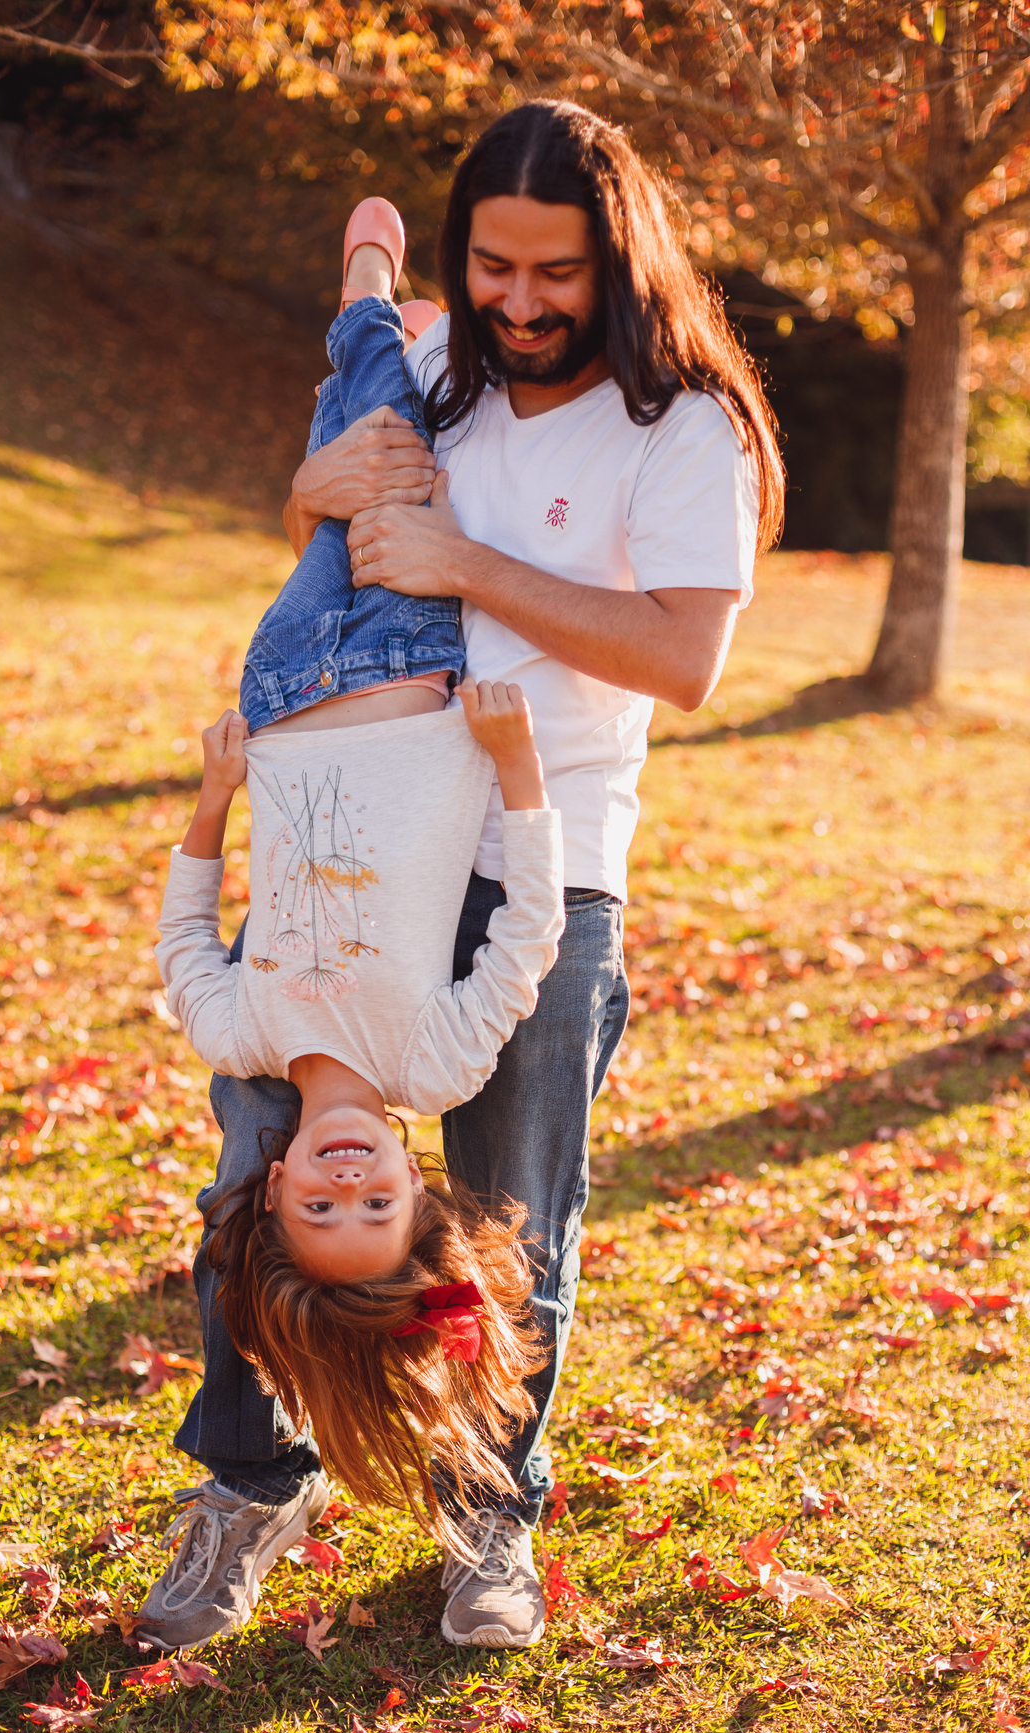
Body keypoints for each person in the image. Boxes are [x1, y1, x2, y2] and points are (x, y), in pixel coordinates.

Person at [141, 98, 785, 1655]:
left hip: (539, 860)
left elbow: (684, 660)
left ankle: (490, 1504)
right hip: (349, 842)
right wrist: (315, 491)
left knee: (511, 1212)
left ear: (616, 261)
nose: (516, 303)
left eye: (551, 274)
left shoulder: (683, 426)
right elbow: (320, 520)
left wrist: (469, 567)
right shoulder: (437, 363)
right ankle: (251, 1480)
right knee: (255, 1179)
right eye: (490, 266)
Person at [137, 199, 567, 1648]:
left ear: (268, 1197)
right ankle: (377, 307)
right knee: (389, 441)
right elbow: (524, 941)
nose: (338, 1182)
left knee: (365, 452)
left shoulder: (246, 1033)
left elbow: (186, 942)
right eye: (371, 1205)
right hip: (404, 673)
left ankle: (377, 306)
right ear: (412, 1189)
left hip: (281, 688)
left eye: (313, 1209)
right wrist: (515, 779)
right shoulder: (432, 1071)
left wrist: (208, 800)